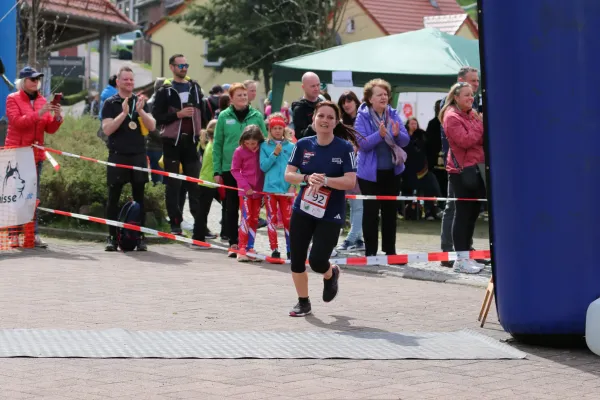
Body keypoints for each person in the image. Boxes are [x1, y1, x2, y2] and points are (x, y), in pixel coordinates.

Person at [284, 101, 358, 317]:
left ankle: (330, 273)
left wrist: (325, 180)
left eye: (330, 117)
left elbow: (350, 181)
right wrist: (307, 177)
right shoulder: (303, 145)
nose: (325, 120)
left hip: (331, 212)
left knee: (317, 261)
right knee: (296, 258)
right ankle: (303, 302)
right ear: (314, 119)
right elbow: (289, 174)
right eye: (321, 116)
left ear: (336, 122)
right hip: (303, 209)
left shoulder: (344, 148)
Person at [5, 66, 64, 248]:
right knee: (16, 195)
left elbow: (49, 129)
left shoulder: (42, 101)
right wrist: (38, 113)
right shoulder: (12, 99)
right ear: (23, 81)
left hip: (36, 155)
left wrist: (57, 116)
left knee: (33, 197)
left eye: (38, 79)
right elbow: (17, 123)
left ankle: (33, 234)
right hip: (17, 154)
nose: (36, 82)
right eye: (32, 79)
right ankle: (13, 235)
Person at [101, 65, 156, 251]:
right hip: (118, 156)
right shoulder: (110, 103)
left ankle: (139, 237)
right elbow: (107, 129)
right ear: (118, 82)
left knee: (140, 197)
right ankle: (111, 237)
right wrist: (123, 114)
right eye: (126, 79)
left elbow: (153, 126)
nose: (129, 82)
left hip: (138, 156)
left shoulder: (140, 102)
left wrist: (140, 111)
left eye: (132, 80)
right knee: (113, 198)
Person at [151, 54, 205, 241]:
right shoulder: (165, 90)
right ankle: (175, 223)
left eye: (186, 64)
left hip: (191, 142)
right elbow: (157, 117)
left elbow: (203, 113)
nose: (184, 68)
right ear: (172, 67)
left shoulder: (194, 87)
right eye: (180, 65)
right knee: (173, 185)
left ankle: (200, 226)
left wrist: (202, 131)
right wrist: (179, 115)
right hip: (171, 143)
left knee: (194, 185)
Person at [355, 79, 410, 258]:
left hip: (392, 171)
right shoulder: (362, 116)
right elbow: (362, 144)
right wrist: (379, 135)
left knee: (390, 212)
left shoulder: (393, 114)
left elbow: (405, 140)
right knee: (371, 213)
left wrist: (396, 134)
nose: (384, 97)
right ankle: (370, 252)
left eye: (386, 94)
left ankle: (390, 251)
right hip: (369, 174)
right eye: (379, 94)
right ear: (370, 99)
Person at [213, 82, 267, 257]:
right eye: (239, 95)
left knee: (251, 209)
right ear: (231, 98)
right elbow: (218, 143)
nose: (243, 98)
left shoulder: (257, 115)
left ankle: (248, 243)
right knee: (231, 207)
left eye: (245, 95)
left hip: (253, 170)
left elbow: (264, 142)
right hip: (230, 168)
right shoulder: (223, 116)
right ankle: (234, 243)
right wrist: (217, 170)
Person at [439, 67, 484, 267]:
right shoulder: (451, 116)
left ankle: (467, 255)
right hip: (460, 172)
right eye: (467, 95)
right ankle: (460, 258)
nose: (471, 98)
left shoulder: (469, 114)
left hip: (475, 167)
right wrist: (481, 126)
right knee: (462, 213)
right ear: (456, 97)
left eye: (472, 95)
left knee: (473, 213)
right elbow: (465, 140)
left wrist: (477, 126)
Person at [260, 113, 295, 260]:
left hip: (286, 190)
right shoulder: (265, 146)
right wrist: (274, 154)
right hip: (270, 189)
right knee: (271, 219)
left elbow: (296, 167)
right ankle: (274, 248)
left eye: (280, 128)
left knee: (288, 220)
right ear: (270, 129)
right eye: (274, 128)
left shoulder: (292, 146)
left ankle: (290, 249)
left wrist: (293, 185)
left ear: (284, 129)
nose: (277, 131)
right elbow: (263, 167)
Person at [230, 125, 265, 262]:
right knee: (245, 218)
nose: (250, 146)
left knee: (255, 219)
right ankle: (242, 248)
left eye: (253, 143)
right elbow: (234, 170)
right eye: (247, 143)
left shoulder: (262, 150)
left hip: (259, 191)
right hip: (245, 191)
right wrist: (245, 186)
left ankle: (250, 247)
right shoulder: (239, 151)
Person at [336, 90, 364, 251]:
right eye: (343, 102)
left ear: (355, 101)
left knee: (358, 204)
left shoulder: (363, 119)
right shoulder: (340, 124)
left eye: (349, 100)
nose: (347, 104)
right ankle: (358, 240)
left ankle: (352, 238)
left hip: (362, 168)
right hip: (345, 168)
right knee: (353, 204)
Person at [401, 116, 442, 220]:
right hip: (408, 174)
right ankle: (412, 209)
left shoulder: (422, 137)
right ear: (407, 125)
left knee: (431, 180)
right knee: (428, 180)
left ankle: (431, 209)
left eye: (415, 123)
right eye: (412, 124)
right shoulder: (404, 139)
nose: (414, 126)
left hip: (422, 172)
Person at [195, 119, 219, 248]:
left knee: (203, 211)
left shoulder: (210, 143)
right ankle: (198, 238)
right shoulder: (214, 145)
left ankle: (200, 236)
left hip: (208, 180)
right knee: (202, 211)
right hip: (208, 181)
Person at [146, 77, 166, 185]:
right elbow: (150, 128)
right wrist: (165, 138)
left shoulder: (162, 102)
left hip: (162, 146)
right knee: (158, 181)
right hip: (155, 146)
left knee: (164, 180)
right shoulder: (150, 104)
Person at [291, 72, 322, 140]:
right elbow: (299, 136)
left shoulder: (323, 103)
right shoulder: (299, 108)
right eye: (313, 86)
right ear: (303, 87)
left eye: (318, 85)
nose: (316, 88)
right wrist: (313, 128)